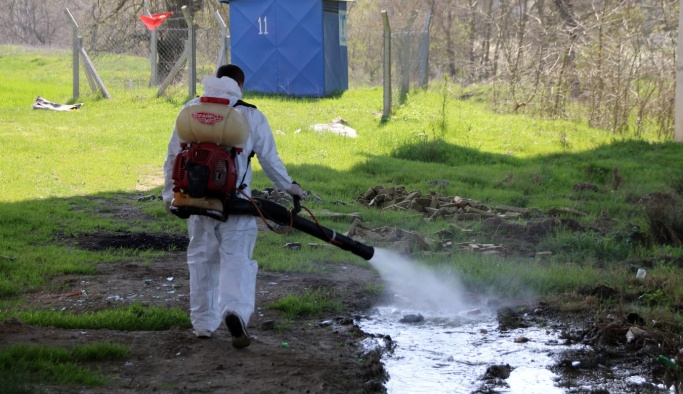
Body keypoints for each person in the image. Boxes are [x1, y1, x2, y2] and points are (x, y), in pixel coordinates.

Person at [162, 64, 303, 348]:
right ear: (240, 85)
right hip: (237, 204)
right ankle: (234, 311)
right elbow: (269, 159)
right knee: (237, 260)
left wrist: (169, 196)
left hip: (196, 202)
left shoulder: (190, 109)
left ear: (215, 80)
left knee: (202, 260)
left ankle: (203, 324)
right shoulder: (249, 113)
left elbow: (173, 156)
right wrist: (290, 188)